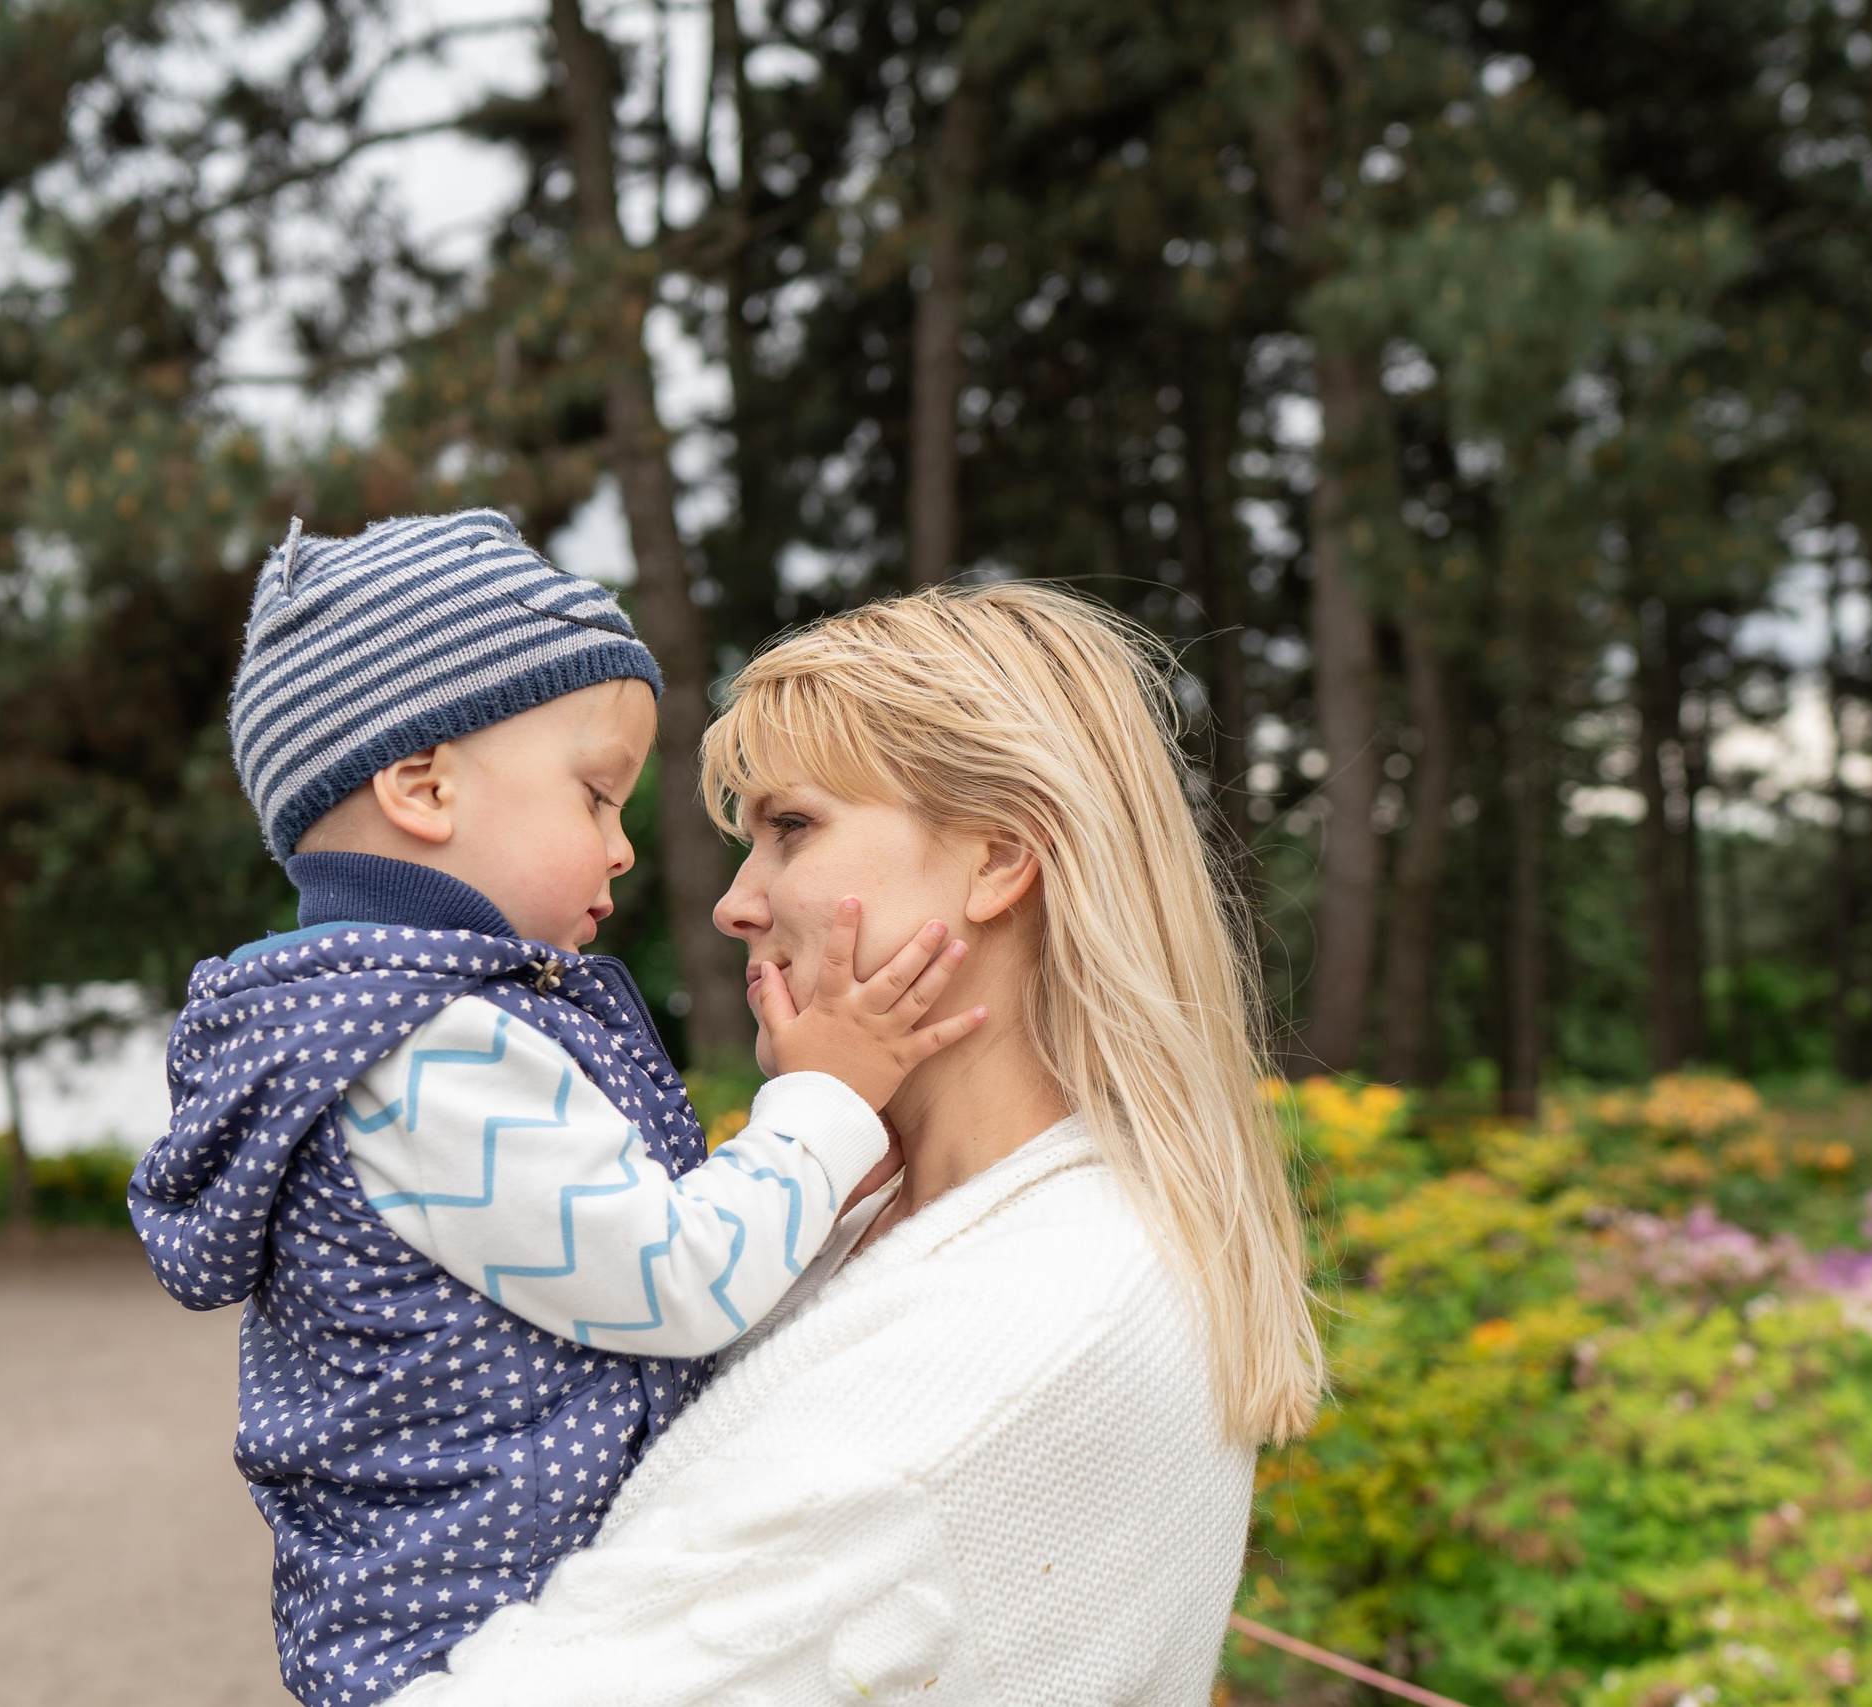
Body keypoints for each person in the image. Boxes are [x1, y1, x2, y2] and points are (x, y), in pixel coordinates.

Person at [396, 583, 1326, 1706]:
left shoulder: (1034, 1319)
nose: (735, 904)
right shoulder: (880, 1216)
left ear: (998, 858)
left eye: (791, 827)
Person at [126, 510, 986, 1707]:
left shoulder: (401, 1027)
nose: (621, 849)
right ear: (424, 786)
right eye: (595, 798)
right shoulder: (430, 1056)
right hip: (477, 1643)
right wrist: (825, 1102)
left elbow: (616, 1273)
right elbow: (676, 1280)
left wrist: (829, 1179)